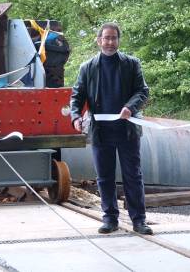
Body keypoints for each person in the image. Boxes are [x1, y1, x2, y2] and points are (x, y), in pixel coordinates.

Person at [70, 22, 153, 235]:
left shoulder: (131, 64)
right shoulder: (87, 68)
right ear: (98, 41)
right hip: (101, 132)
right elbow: (76, 97)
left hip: (127, 130)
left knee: (132, 175)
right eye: (106, 38)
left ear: (118, 40)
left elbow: (143, 91)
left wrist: (129, 107)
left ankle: (138, 220)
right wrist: (76, 117)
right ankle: (109, 219)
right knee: (104, 177)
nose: (110, 42)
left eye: (113, 38)